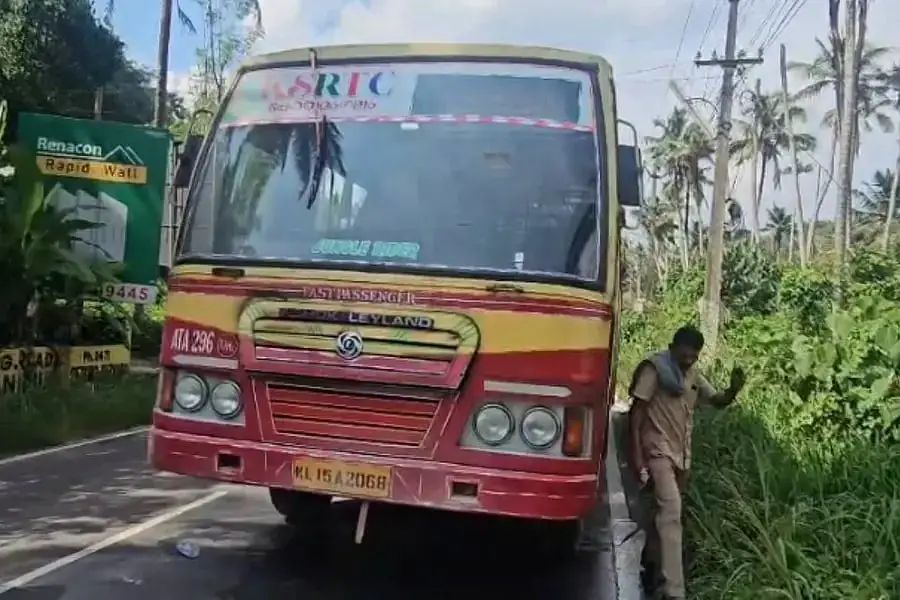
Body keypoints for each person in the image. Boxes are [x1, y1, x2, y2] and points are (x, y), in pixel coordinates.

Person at [627, 325, 745, 600]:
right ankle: (674, 590)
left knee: (663, 514)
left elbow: (716, 400)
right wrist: (636, 455)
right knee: (671, 512)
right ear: (672, 347)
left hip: (681, 455)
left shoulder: (693, 376)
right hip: (657, 451)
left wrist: (733, 390)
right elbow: (637, 413)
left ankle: (652, 566)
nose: (689, 360)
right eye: (684, 355)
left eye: (694, 356)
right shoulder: (653, 369)